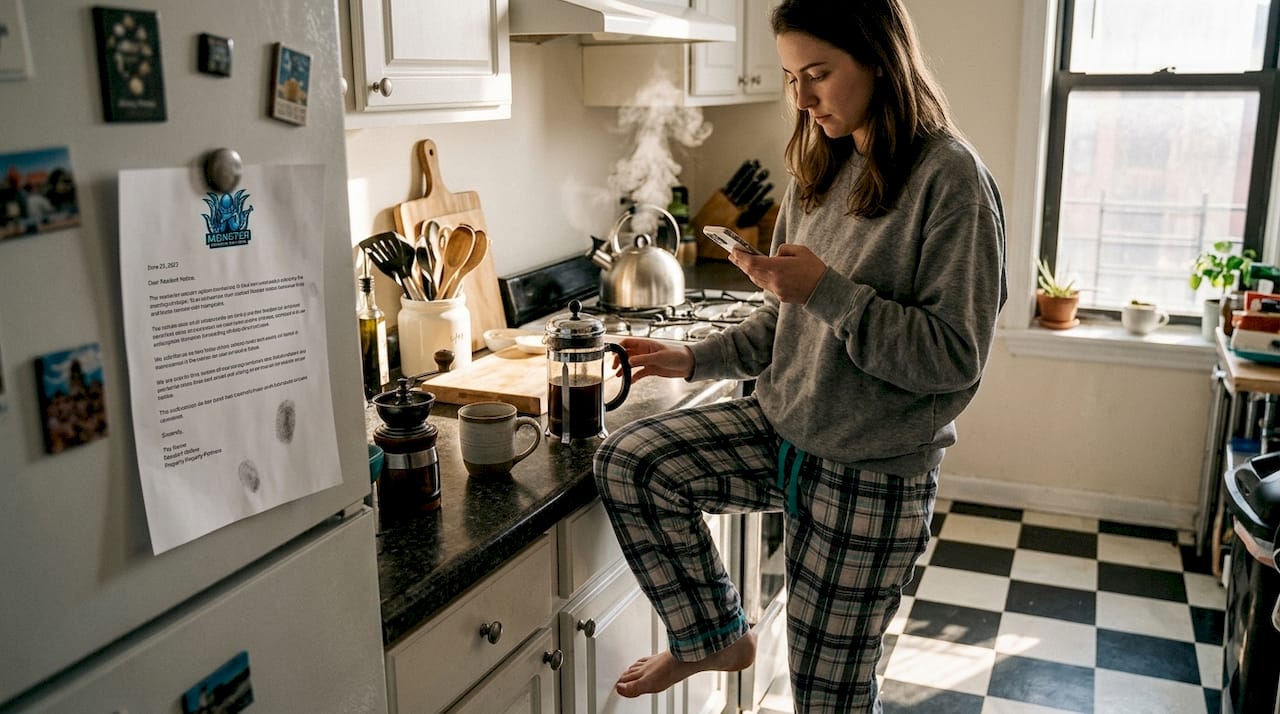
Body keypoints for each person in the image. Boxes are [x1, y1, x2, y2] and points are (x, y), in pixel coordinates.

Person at [591, 0, 1007, 711]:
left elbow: (953, 358)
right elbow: (781, 326)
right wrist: (687, 358)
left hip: (871, 475)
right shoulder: (818, 169)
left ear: (881, 59)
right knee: (632, 462)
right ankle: (715, 635)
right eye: (791, 77)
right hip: (784, 433)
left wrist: (830, 293)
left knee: (827, 698)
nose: (803, 97)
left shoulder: (951, 181)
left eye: (819, 73)